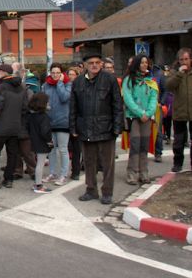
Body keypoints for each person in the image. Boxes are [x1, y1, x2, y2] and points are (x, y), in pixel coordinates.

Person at [70, 53, 124, 205]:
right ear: (85, 65)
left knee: (108, 163)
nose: (94, 65)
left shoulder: (110, 79)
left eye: (97, 62)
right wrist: (73, 126)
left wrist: (117, 126)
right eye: (91, 63)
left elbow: (117, 104)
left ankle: (107, 192)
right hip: (85, 127)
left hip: (106, 127)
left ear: (101, 64)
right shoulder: (78, 82)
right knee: (89, 162)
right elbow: (73, 106)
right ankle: (91, 190)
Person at [0, 64, 28, 189]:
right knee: (12, 154)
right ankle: (8, 179)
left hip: (0, 127)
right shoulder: (21, 87)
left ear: (3, 72)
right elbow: (24, 108)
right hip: (15, 126)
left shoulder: (2, 87)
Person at [122, 55, 158, 185]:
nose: (144, 65)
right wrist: (140, 113)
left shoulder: (151, 81)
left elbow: (153, 99)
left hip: (147, 118)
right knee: (135, 145)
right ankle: (132, 173)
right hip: (134, 117)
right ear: (137, 64)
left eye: (146, 63)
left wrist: (148, 113)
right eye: (142, 62)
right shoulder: (129, 80)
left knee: (144, 145)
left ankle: (144, 172)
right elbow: (128, 98)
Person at [41, 64, 71, 186]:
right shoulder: (45, 85)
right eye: (53, 72)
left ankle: (63, 175)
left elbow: (64, 97)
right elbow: (42, 100)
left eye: (57, 73)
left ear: (62, 74)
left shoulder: (68, 84)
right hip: (49, 121)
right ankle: (52, 173)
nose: (55, 75)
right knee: (51, 150)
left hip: (63, 122)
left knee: (63, 149)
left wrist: (60, 83)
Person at [166, 48, 192, 172]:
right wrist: (180, 74)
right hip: (179, 112)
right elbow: (169, 86)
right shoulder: (174, 73)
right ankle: (177, 164)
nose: (184, 62)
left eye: (186, 59)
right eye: (182, 60)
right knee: (179, 141)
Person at [27, 93, 53, 193]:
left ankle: (37, 184)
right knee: (40, 164)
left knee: (39, 163)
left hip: (34, 140)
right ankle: (38, 185)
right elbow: (45, 132)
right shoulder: (44, 117)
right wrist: (49, 140)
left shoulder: (32, 115)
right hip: (42, 142)